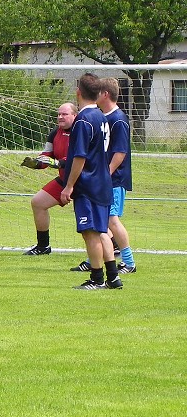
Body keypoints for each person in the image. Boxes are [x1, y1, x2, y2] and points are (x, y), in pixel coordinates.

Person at [61, 73, 122, 290]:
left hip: (88, 184)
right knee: (102, 230)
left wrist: (69, 186)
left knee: (90, 232)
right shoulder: (101, 116)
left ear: (78, 92)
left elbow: (80, 157)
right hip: (103, 182)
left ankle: (96, 279)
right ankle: (113, 277)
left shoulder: (83, 121)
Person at [70, 77, 136, 273]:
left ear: (104, 94)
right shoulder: (102, 117)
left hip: (113, 179)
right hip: (103, 180)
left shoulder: (118, 119)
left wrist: (104, 174)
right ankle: (95, 259)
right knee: (100, 222)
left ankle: (129, 262)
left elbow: (120, 152)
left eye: (99, 92)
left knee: (111, 221)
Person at [21, 102, 78, 255]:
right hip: (64, 180)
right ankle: (43, 246)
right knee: (38, 202)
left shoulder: (81, 131)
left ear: (75, 115)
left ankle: (114, 245)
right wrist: (36, 163)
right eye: (59, 114)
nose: (60, 117)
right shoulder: (55, 133)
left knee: (96, 216)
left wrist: (59, 163)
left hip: (84, 181)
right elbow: (47, 155)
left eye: (64, 114)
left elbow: (78, 158)